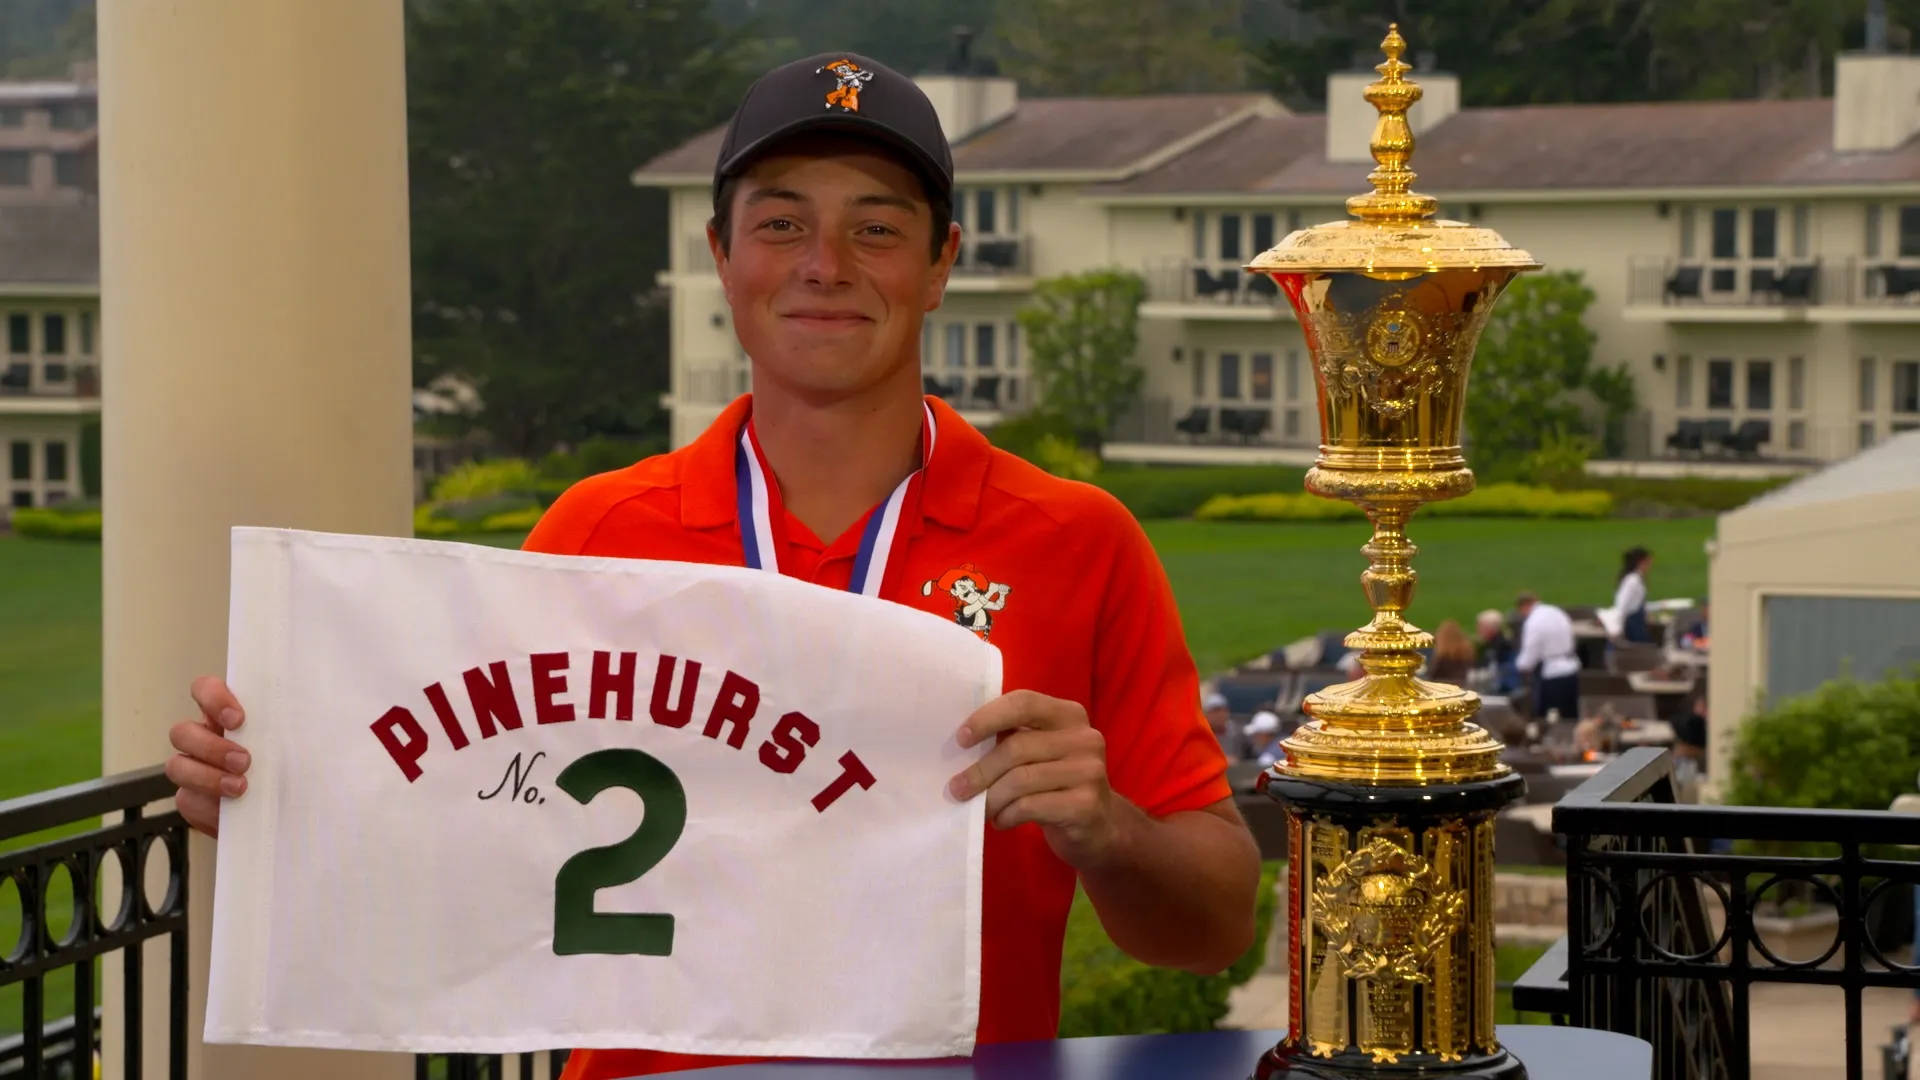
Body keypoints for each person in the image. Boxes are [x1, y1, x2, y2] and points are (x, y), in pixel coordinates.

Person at [161, 52, 1260, 1080]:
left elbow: (1210, 930)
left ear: (941, 267)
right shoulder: (599, 531)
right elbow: (469, 846)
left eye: (877, 229)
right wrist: (290, 799)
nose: (826, 267)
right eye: (782, 224)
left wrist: (1107, 829)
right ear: (720, 257)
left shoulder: (1077, 540)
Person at [1513, 591, 1580, 722]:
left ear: (1524, 606)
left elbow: (1529, 656)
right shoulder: (1556, 612)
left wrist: (1519, 667)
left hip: (1552, 674)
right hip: (1572, 667)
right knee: (1571, 715)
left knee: (1547, 718)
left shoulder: (1533, 622)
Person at [1474, 608, 1520, 695]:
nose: (1478, 630)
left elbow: (1506, 675)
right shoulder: (1489, 645)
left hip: (1502, 692)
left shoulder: (1503, 647)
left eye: (1480, 626)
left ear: (1491, 628)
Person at [1613, 546, 1653, 644]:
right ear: (1641, 562)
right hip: (1632, 626)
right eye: (1648, 563)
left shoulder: (1635, 579)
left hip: (1636, 623)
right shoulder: (1632, 581)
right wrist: (1617, 628)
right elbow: (1622, 605)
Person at [1426, 618, 1476, 684]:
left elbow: (1431, 676)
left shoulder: (1442, 656)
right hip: (1463, 685)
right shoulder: (1467, 653)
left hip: (1445, 688)